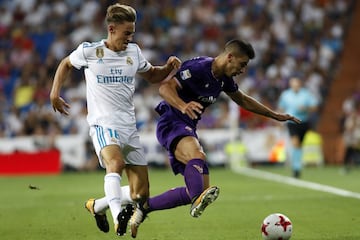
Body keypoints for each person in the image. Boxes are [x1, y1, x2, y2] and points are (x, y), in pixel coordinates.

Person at [128, 39, 301, 238]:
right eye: (242, 64)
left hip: (188, 126)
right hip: (172, 121)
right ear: (230, 57)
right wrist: (183, 106)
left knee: (201, 188)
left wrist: (275, 115)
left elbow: (243, 100)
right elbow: (164, 88)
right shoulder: (198, 67)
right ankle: (193, 201)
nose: (243, 70)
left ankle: (144, 207)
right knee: (197, 157)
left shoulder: (223, 78)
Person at [49, 3, 181, 237]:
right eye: (126, 33)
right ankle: (117, 213)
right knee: (116, 164)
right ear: (111, 29)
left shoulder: (134, 52)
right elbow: (66, 64)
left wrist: (168, 67)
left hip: (129, 126)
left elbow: (152, 75)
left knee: (141, 195)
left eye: (132, 33)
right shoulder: (90, 51)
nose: (130, 38)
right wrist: (54, 92)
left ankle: (97, 206)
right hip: (103, 123)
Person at [278, 77, 319, 178]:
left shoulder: (306, 94)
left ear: (300, 84)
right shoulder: (286, 95)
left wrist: (305, 108)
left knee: (299, 146)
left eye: (297, 84)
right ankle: (296, 168)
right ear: (290, 85)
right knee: (295, 143)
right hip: (291, 122)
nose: (295, 86)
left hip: (303, 122)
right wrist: (279, 119)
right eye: (293, 84)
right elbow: (281, 107)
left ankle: (297, 166)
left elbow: (314, 107)